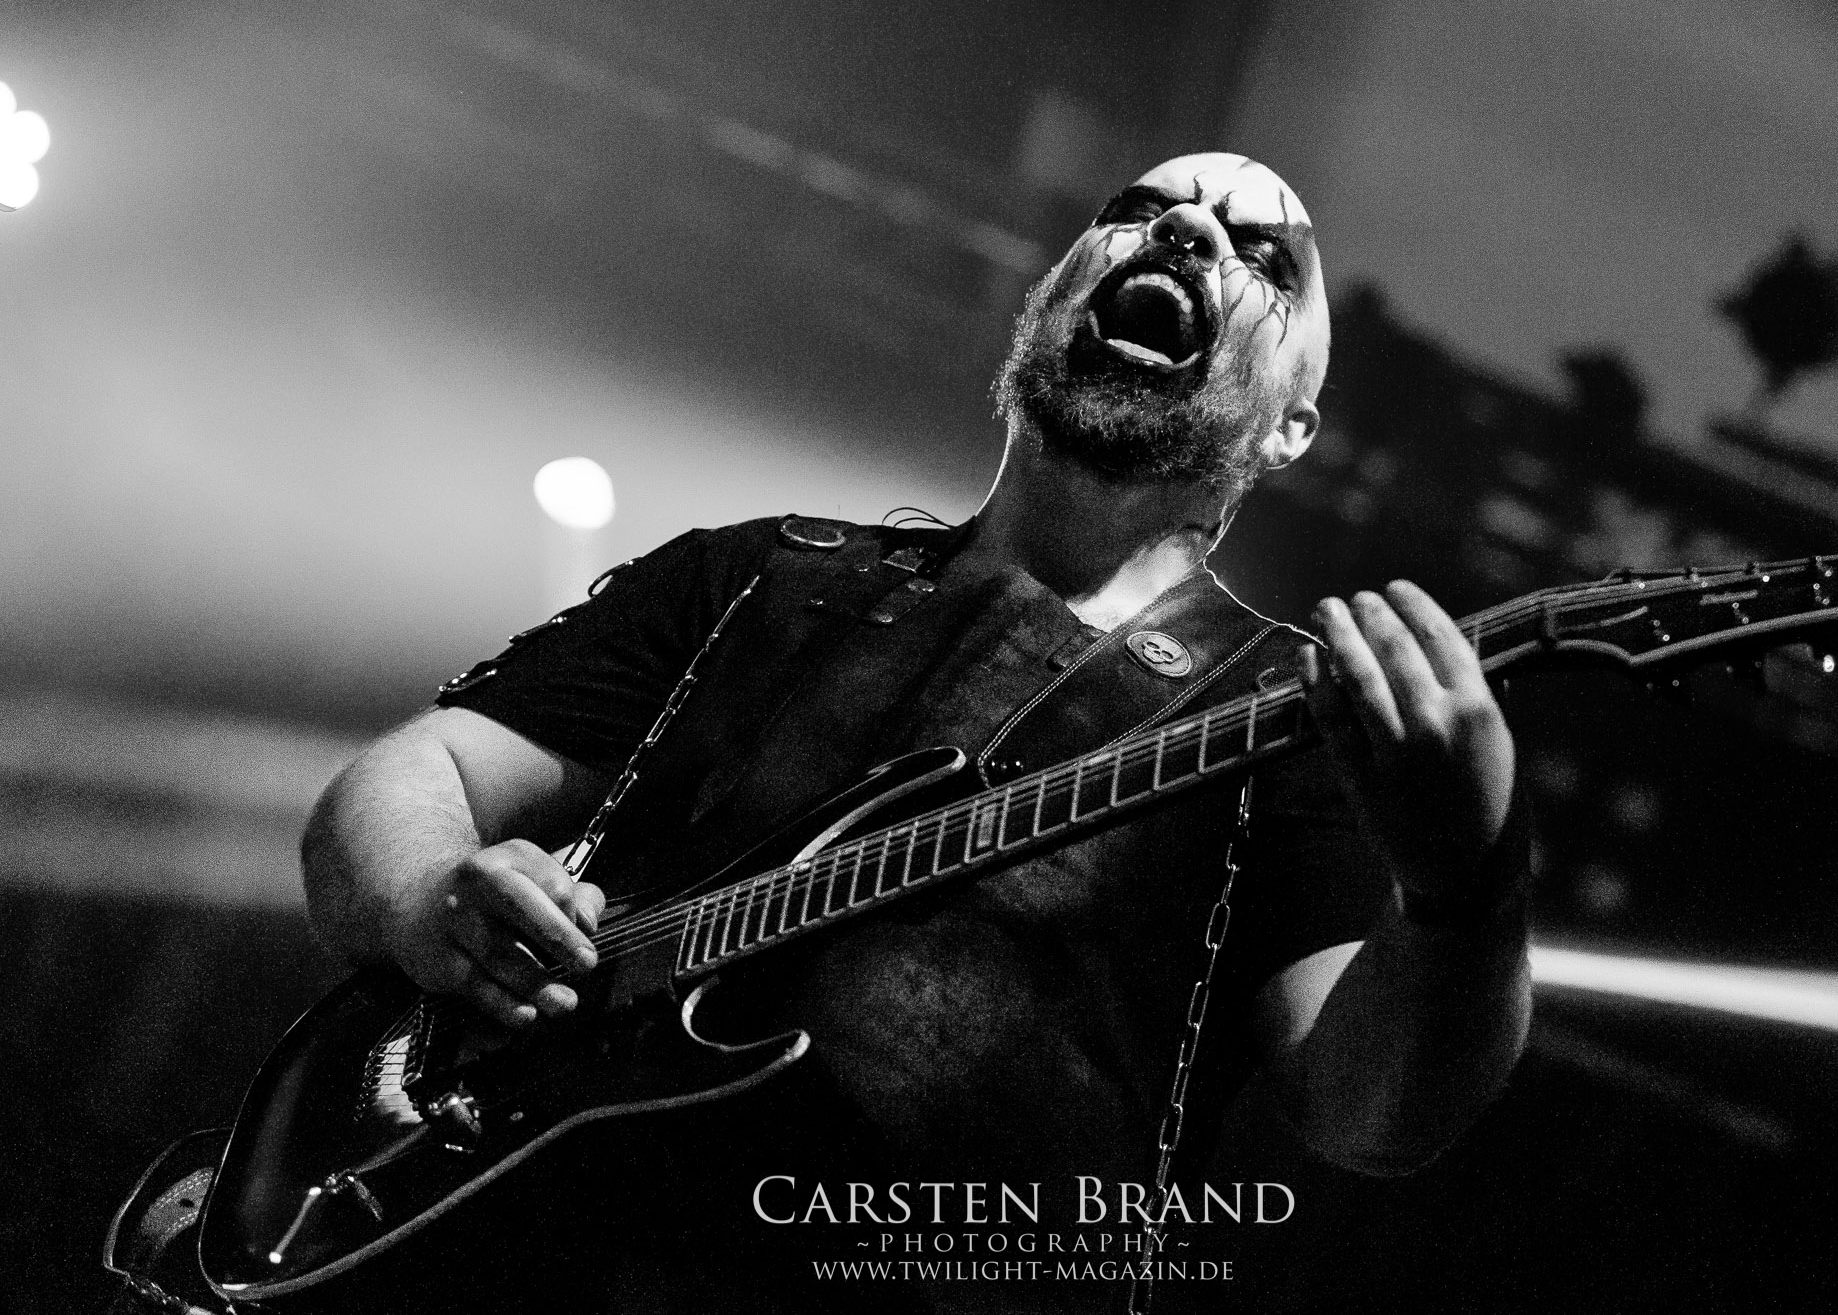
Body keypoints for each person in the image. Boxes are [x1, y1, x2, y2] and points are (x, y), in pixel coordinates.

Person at [300, 153, 1530, 1314]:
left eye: (1261, 256)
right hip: (519, 1247)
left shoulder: (1284, 714)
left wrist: (1464, 882)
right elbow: (415, 774)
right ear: (1043, 303)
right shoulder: (758, 575)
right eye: (1136, 207)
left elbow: (1372, 1116)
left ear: (1289, 427)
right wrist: (425, 898)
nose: (1185, 227)